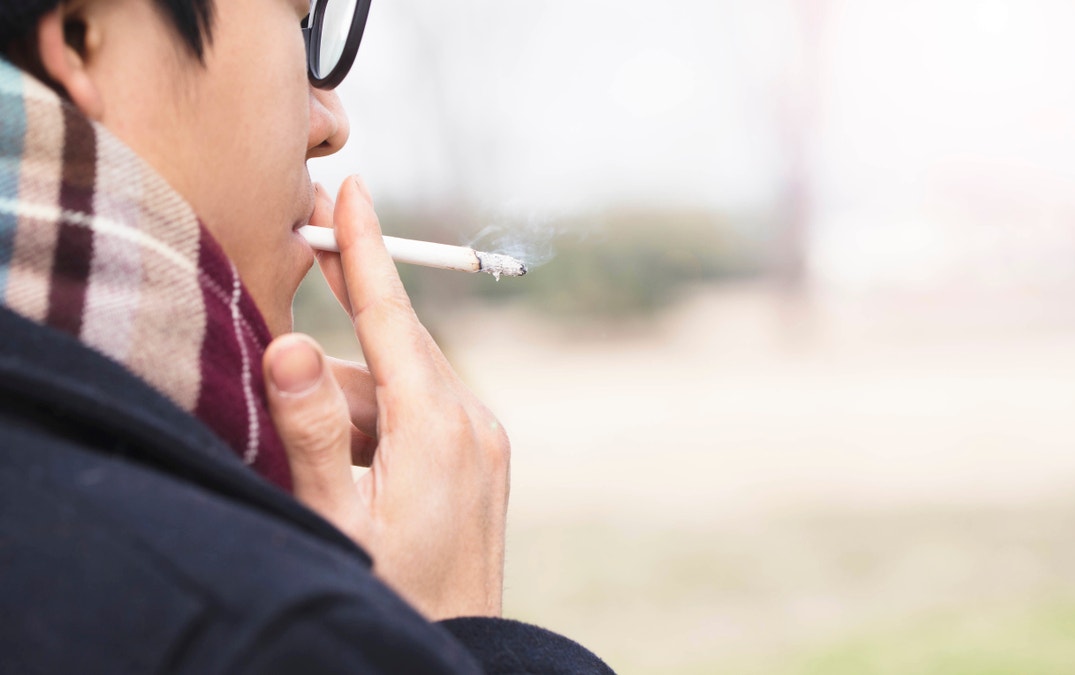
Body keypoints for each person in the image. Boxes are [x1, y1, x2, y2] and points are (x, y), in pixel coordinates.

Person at [0, 0, 614, 672]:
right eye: (298, 26)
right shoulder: (250, 632)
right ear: (85, 37)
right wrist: (436, 638)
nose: (332, 125)